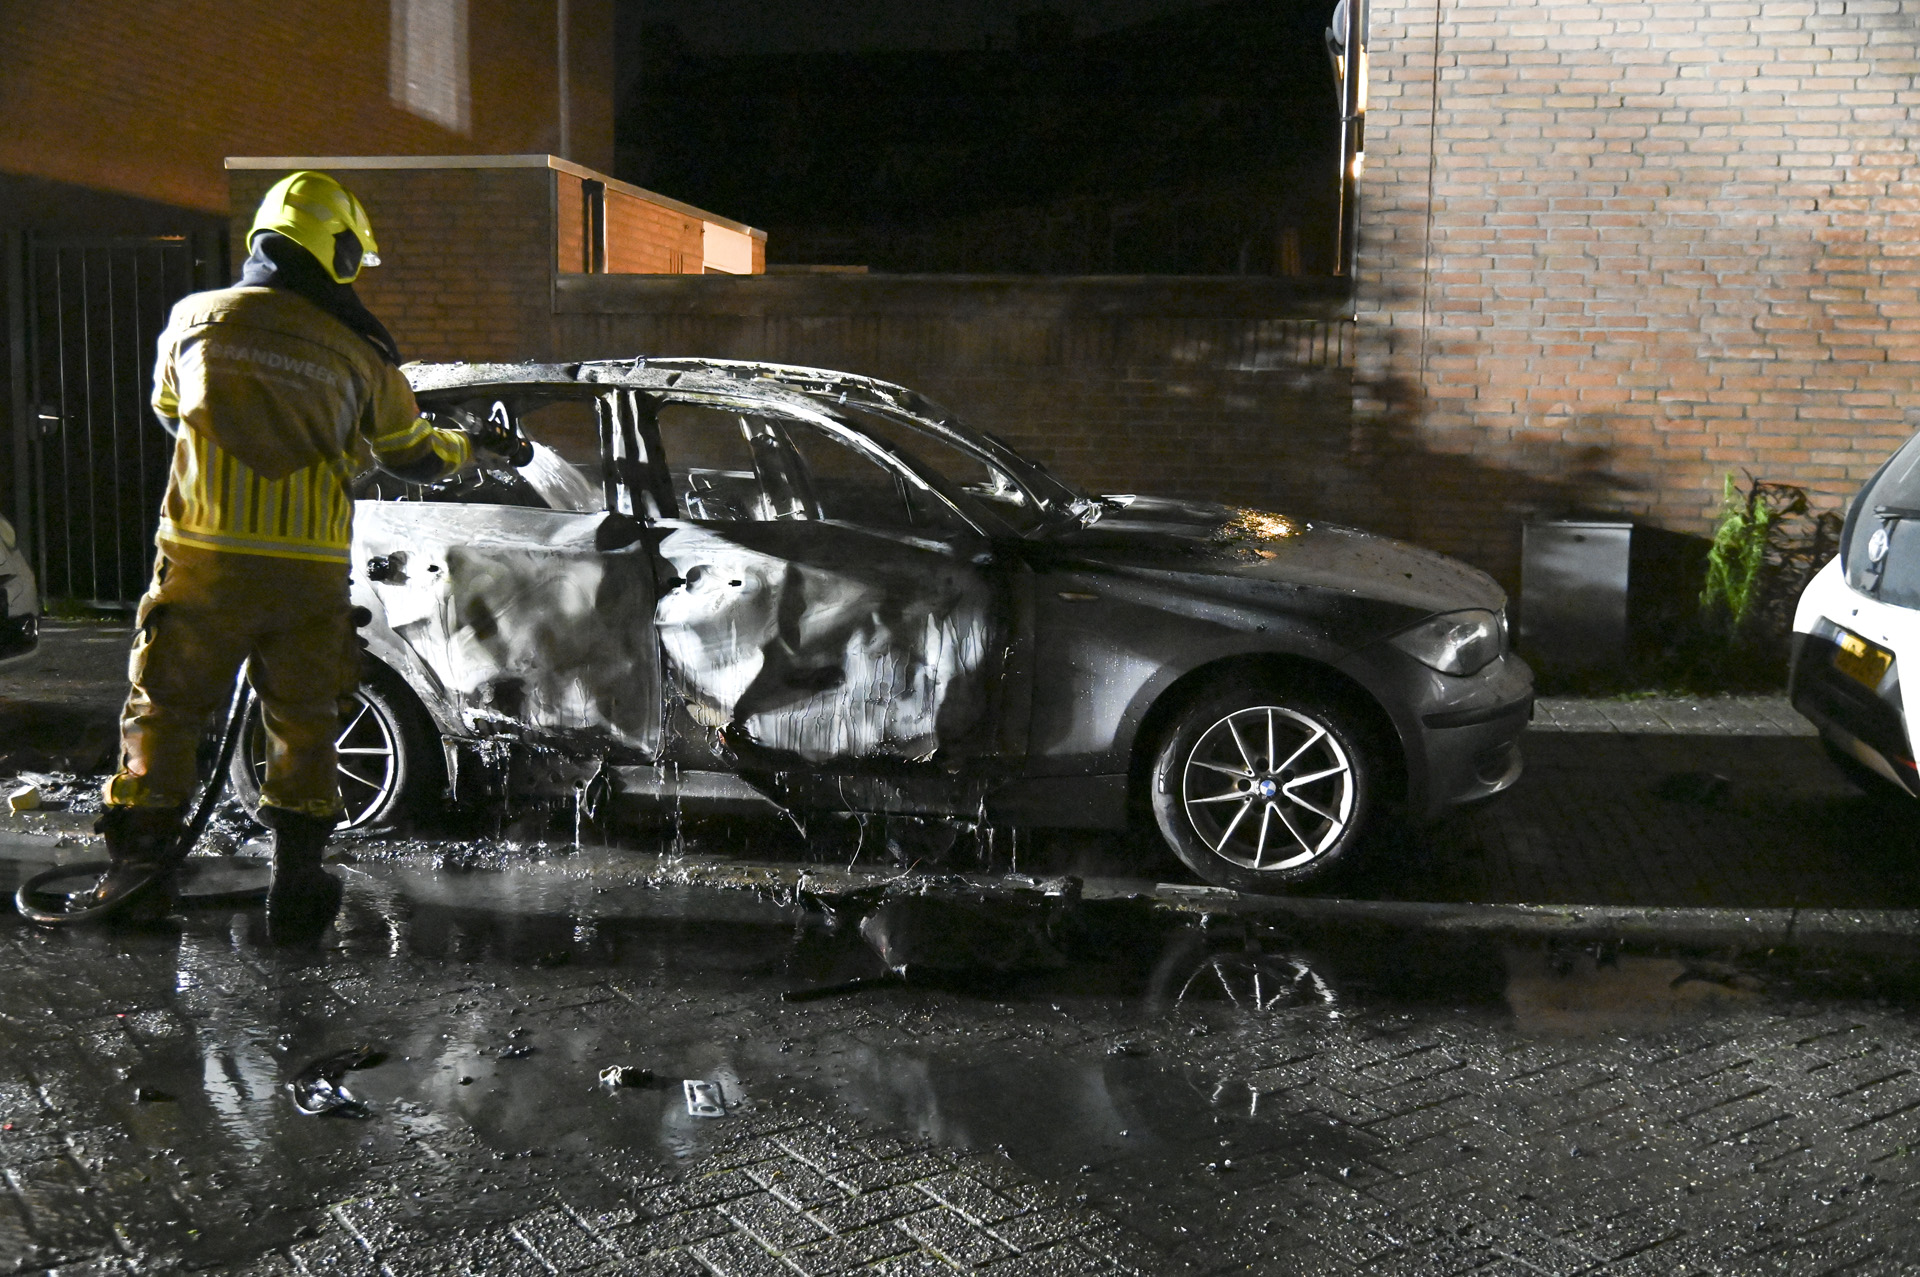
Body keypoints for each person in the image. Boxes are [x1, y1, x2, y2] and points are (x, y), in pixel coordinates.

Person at [94, 170, 526, 942]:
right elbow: (414, 455)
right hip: (303, 571)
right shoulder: (361, 357)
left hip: (202, 557)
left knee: (164, 708)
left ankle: (138, 876)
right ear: (338, 252)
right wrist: (473, 449)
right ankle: (295, 885)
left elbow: (170, 411)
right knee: (303, 721)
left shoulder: (197, 319)